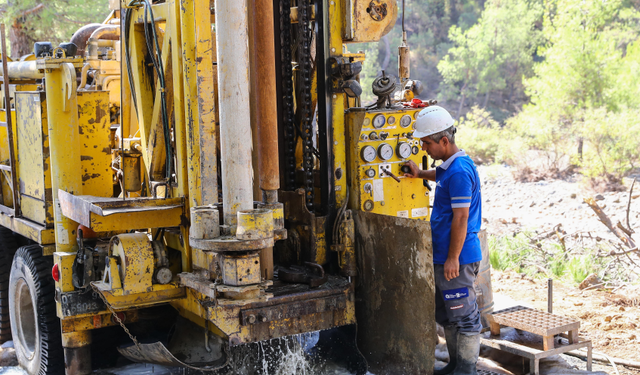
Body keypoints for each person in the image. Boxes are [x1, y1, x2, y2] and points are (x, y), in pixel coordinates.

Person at [404, 105, 483, 375]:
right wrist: (419, 174)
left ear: (444, 141)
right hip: (446, 256)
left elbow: (461, 219)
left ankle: (467, 370)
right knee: (450, 313)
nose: (424, 148)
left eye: (427, 143)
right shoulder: (452, 167)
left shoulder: (460, 171)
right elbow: (442, 176)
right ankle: (455, 365)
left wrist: (452, 258)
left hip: (457, 258)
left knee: (464, 315)